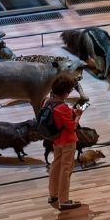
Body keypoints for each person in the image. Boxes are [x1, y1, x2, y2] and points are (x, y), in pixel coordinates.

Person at [45, 77, 83, 211]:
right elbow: (71, 127)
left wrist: (70, 112)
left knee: (56, 165)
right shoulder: (63, 108)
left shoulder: (47, 102)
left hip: (56, 140)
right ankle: (64, 200)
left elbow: (57, 118)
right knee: (66, 169)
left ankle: (53, 195)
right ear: (66, 93)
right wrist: (78, 115)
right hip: (68, 141)